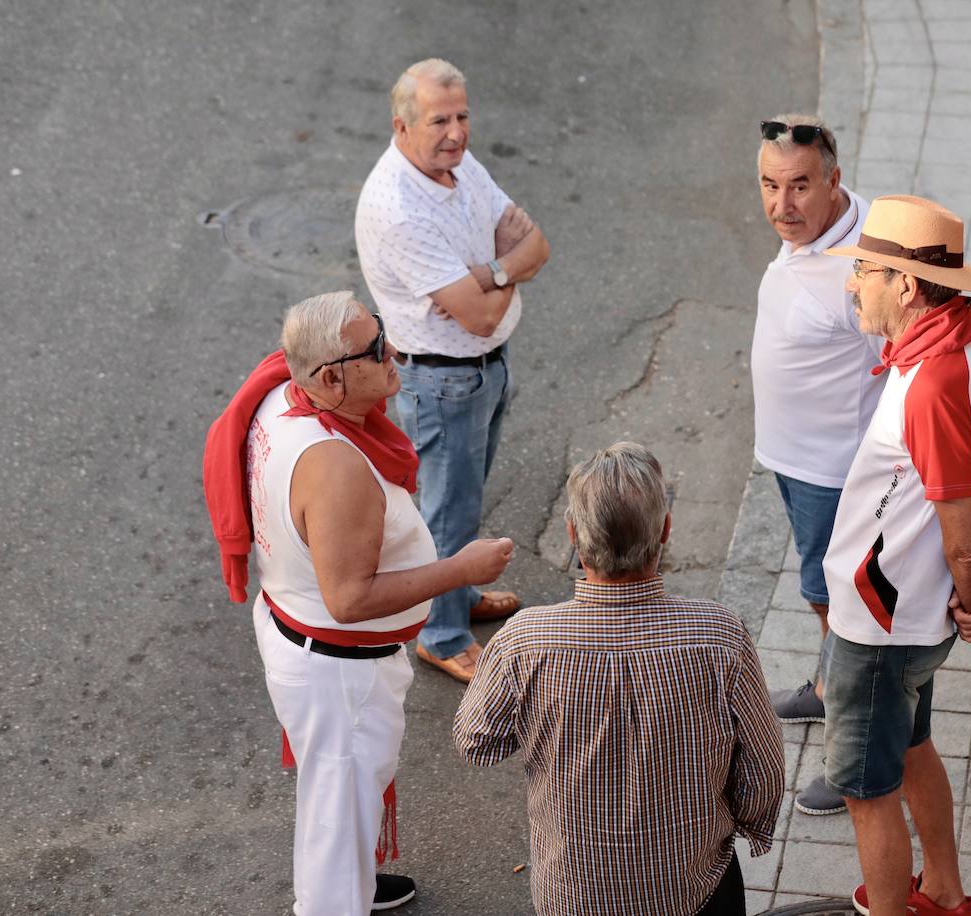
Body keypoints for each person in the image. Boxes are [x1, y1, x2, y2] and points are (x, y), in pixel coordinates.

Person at [203, 291, 514, 914]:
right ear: (330, 377)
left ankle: (355, 888)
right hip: (339, 670)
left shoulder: (280, 395)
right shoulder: (336, 468)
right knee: (335, 825)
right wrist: (457, 569)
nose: (394, 352)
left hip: (307, 639)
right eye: (377, 349)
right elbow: (348, 599)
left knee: (342, 802)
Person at [452, 443, 785, 916]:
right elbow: (763, 770)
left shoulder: (525, 640)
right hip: (694, 883)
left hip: (573, 889)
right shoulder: (719, 635)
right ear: (666, 530)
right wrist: (744, 821)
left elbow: (476, 742)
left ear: (572, 534)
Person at [819, 196, 971, 916]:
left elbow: (966, 530)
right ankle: (942, 893)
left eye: (865, 272)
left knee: (865, 793)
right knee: (914, 750)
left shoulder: (933, 382)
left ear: (907, 286)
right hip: (912, 614)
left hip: (881, 628)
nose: (852, 284)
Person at [355, 57, 550, 683]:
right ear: (402, 125)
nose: (457, 133)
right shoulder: (399, 209)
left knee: (464, 499)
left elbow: (537, 244)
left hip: (480, 371)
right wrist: (504, 269)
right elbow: (479, 318)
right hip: (442, 380)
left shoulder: (455, 166)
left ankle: (458, 596)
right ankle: (441, 634)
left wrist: (493, 272)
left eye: (462, 115)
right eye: (440, 119)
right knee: (446, 512)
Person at [750, 114, 883, 816]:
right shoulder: (821, 226)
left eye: (800, 186)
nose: (782, 205)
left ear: (833, 181)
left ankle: (851, 751)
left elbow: (901, 362)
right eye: (770, 185)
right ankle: (829, 688)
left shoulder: (862, 269)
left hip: (835, 472)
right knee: (820, 594)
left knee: (845, 606)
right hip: (796, 461)